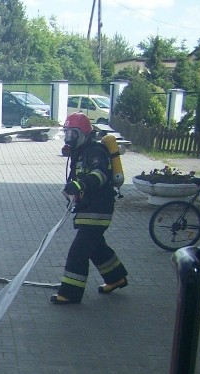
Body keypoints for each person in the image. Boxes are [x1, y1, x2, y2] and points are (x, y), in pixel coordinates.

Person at [51, 113, 128, 305]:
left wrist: (80, 185)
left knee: (78, 252)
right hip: (87, 208)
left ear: (84, 134)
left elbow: (100, 174)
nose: (69, 137)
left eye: (73, 133)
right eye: (66, 132)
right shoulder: (81, 152)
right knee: (96, 247)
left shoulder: (96, 151)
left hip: (97, 210)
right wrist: (71, 190)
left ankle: (70, 293)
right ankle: (116, 277)